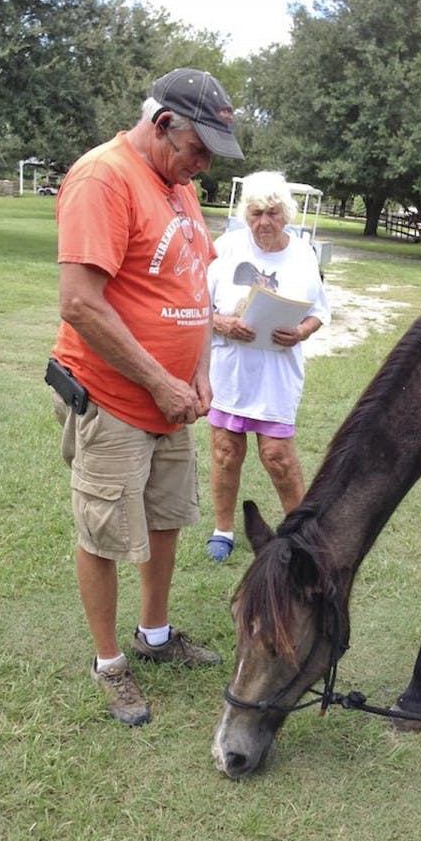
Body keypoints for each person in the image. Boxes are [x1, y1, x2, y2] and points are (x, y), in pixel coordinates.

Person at [49, 68, 244, 726]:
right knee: (105, 533)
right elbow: (80, 303)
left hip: (173, 402)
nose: (205, 165)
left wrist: (200, 371)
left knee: (164, 521)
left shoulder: (180, 187)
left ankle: (153, 637)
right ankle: (110, 665)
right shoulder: (103, 178)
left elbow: (194, 290)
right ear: (164, 124)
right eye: (199, 149)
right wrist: (159, 380)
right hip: (112, 399)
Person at [205, 171, 331, 561]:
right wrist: (222, 322)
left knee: (278, 456)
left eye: (273, 213)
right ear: (246, 213)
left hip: (276, 374)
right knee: (226, 451)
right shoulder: (225, 248)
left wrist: (302, 332)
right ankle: (222, 529)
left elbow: (318, 312)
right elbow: (197, 304)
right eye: (256, 212)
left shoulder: (303, 255)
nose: (264, 222)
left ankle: (303, 535)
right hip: (232, 371)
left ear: (286, 214)